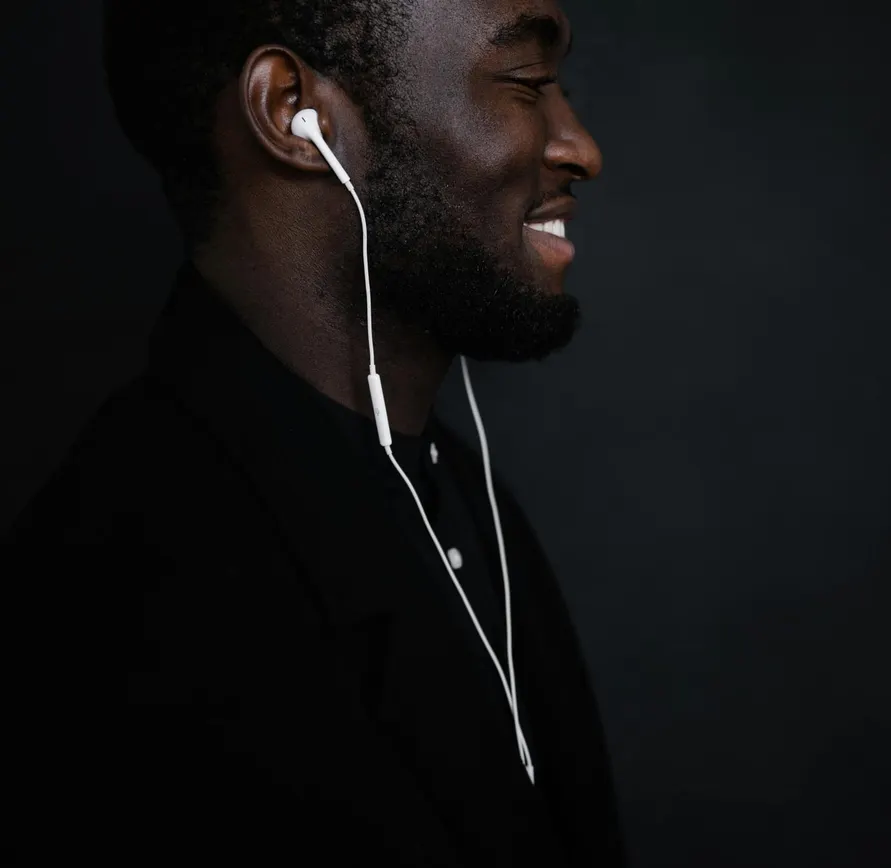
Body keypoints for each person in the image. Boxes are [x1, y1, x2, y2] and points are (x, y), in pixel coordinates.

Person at [1, 1, 623, 865]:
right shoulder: (133, 608)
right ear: (293, 111)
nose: (579, 146)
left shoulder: (467, 504)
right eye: (524, 81)